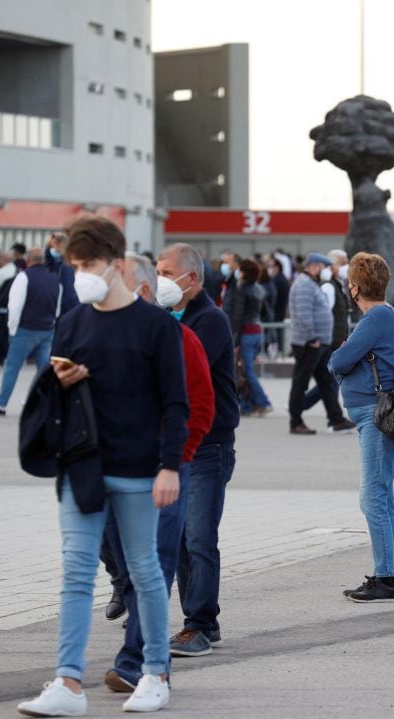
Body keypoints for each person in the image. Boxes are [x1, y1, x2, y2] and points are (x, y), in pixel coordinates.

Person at [16, 216, 187, 716]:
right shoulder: (71, 323)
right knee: (75, 572)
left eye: (88, 265)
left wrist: (170, 466)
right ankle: (68, 683)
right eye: (74, 266)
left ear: (116, 264)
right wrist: (62, 382)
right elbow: (52, 394)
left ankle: (155, 673)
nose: (80, 275)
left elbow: (176, 404)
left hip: (139, 469)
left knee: (144, 571)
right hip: (82, 465)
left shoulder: (156, 325)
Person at [103, 253, 214, 692]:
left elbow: (202, 407)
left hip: (164, 471)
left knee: (153, 565)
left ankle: (139, 663)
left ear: (144, 291)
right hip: (112, 471)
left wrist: (176, 460)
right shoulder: (104, 334)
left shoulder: (180, 338)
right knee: (128, 566)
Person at [155, 243, 239, 658]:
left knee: (199, 537)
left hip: (210, 444)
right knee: (183, 539)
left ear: (190, 278)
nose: (161, 280)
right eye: (157, 271)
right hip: (180, 445)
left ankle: (199, 624)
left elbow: (181, 370)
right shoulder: (169, 316)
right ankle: (202, 620)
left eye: (167, 272)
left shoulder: (210, 320)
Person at [327, 253, 394, 602]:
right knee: (381, 494)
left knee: (372, 494)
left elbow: (338, 360)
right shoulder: (383, 315)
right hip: (373, 413)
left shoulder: (375, 317)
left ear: (354, 287)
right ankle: (385, 571)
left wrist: (343, 356)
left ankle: (385, 577)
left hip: (375, 414)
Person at [0, 248, 60, 416]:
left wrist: (12, 328)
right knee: (44, 371)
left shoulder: (24, 276)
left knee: (12, 368)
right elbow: (57, 307)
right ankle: (45, 404)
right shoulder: (54, 279)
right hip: (47, 329)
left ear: (28, 261)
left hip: (25, 329)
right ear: (43, 261)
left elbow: (15, 305)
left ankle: (0, 405)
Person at [286, 252, 354, 435]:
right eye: (324, 267)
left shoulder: (311, 284)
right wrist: (311, 338)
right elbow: (303, 314)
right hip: (309, 343)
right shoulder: (304, 285)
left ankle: (336, 419)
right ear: (315, 266)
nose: (326, 271)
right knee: (301, 382)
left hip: (319, 343)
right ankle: (295, 421)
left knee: (326, 381)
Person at [226, 258, 272, 416]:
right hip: (257, 331)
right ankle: (247, 406)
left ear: (244, 273)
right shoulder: (259, 289)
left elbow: (238, 316)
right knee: (245, 370)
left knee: (246, 370)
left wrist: (234, 338)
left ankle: (263, 402)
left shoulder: (241, 289)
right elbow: (266, 312)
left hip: (245, 332)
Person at [45, 231, 79, 315]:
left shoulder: (71, 261)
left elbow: (69, 287)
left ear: (61, 245)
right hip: (55, 304)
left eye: (54, 245)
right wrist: (47, 248)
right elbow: (48, 261)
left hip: (68, 305)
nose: (52, 248)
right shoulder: (56, 261)